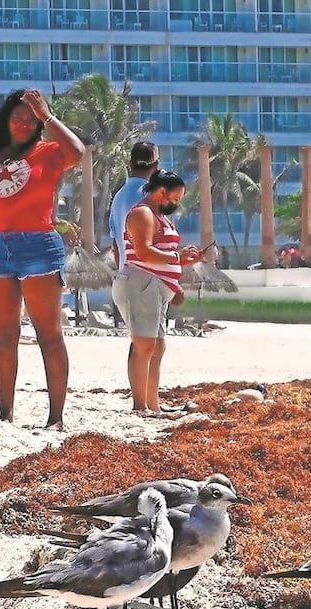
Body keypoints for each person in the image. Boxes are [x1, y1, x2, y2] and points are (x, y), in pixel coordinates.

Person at [0, 88, 85, 428]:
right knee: (4, 337)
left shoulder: (49, 151)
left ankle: (56, 418)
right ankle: (5, 415)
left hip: (39, 246)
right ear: (7, 119)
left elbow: (77, 151)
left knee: (49, 334)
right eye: (17, 117)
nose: (23, 124)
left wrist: (47, 116)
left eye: (30, 120)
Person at [112, 169, 202, 415]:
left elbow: (160, 251)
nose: (177, 203)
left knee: (157, 346)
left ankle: (153, 405)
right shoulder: (143, 213)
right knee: (144, 345)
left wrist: (181, 260)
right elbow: (143, 251)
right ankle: (140, 406)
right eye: (176, 197)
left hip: (155, 287)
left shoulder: (158, 215)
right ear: (162, 192)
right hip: (142, 283)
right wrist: (177, 257)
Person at [109, 142, 160, 274]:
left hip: (125, 277)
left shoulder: (118, 198)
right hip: (148, 278)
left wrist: (122, 272)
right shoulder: (153, 197)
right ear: (156, 166)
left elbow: (116, 244)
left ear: (130, 164)